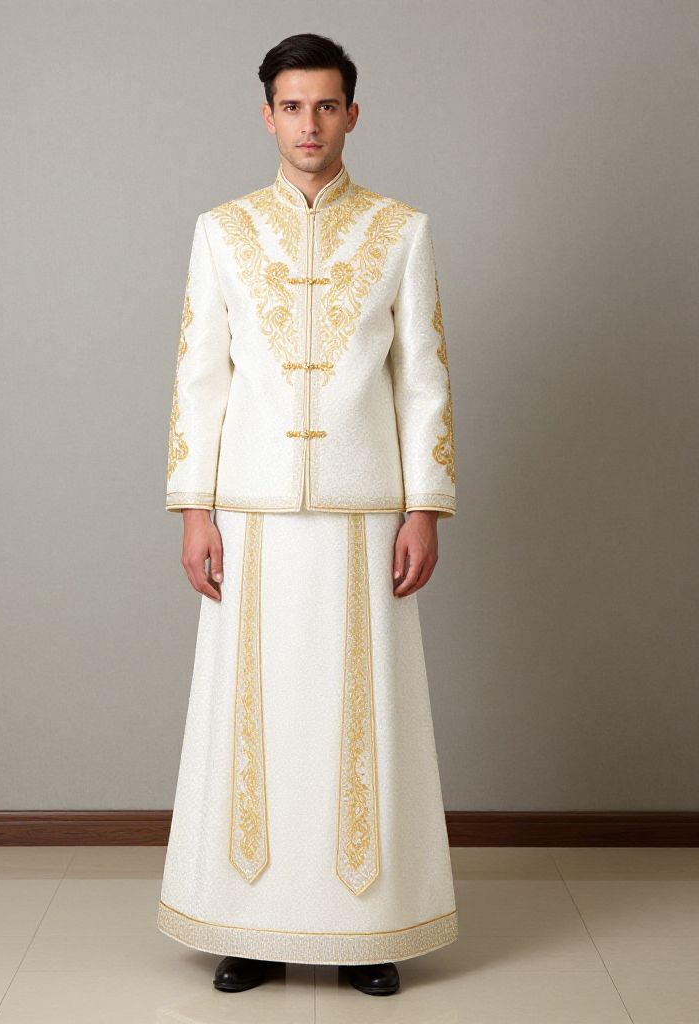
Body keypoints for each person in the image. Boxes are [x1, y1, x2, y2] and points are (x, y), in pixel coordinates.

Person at [157, 32, 458, 997]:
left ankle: (367, 934)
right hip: (249, 511)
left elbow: (423, 381)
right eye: (292, 106)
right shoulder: (223, 230)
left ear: (352, 115)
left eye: (326, 106)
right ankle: (248, 930)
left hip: (366, 513)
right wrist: (193, 508)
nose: (309, 125)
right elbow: (199, 379)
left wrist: (426, 506)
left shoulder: (401, 230)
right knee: (254, 718)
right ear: (267, 116)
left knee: (360, 721)